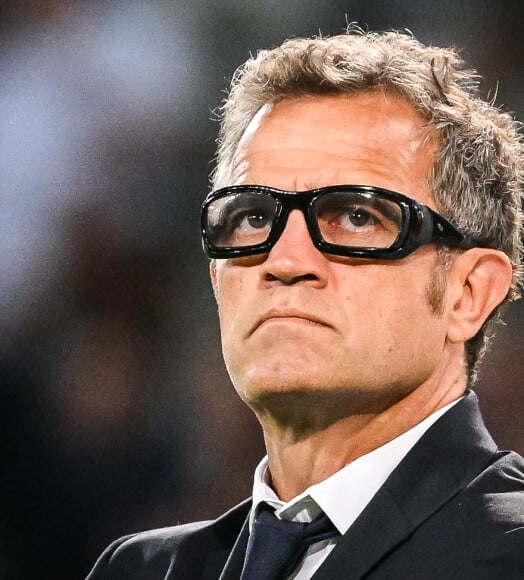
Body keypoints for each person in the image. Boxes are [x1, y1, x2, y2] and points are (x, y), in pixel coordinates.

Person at [86, 28, 524, 579]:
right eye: (252, 218)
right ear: (217, 278)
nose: (285, 261)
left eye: (358, 216)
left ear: (468, 293)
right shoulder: (141, 571)